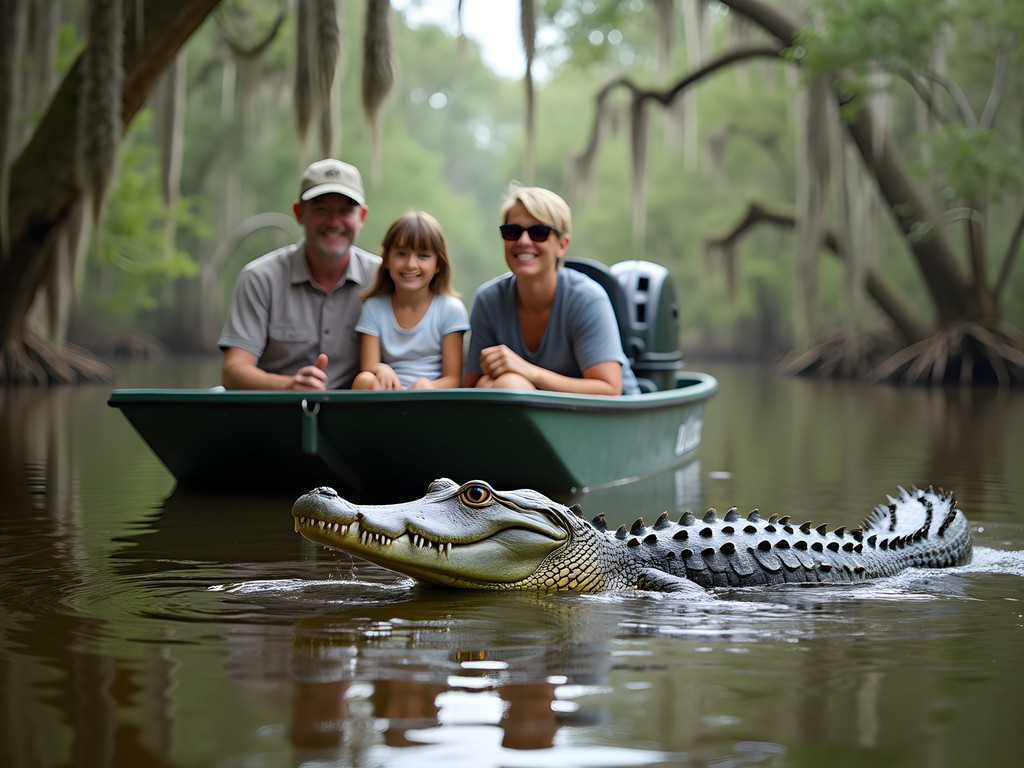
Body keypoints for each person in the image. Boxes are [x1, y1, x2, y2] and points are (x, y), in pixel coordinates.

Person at [218, 158, 382, 390]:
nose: (334, 222)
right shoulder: (259, 278)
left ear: (362, 217)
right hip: (279, 419)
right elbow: (233, 372)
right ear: (299, 213)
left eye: (345, 211)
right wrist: (288, 386)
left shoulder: (384, 278)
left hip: (356, 420)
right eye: (322, 209)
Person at [463, 184, 640, 395]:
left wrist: (529, 372)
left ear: (562, 245)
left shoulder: (587, 299)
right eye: (513, 232)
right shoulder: (488, 300)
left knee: (510, 384)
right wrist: (501, 383)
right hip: (530, 418)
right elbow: (472, 388)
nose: (523, 241)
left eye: (539, 232)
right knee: (504, 384)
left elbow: (609, 389)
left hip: (609, 420)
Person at [352, 211, 469, 390]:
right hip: (388, 394)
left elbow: (453, 380)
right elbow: (368, 366)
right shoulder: (373, 308)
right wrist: (380, 369)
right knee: (365, 379)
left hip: (431, 398)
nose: (411, 264)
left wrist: (427, 386)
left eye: (423, 256)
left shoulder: (450, 309)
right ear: (386, 260)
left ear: (438, 264)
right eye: (401, 254)